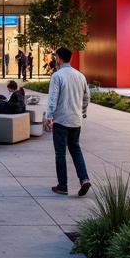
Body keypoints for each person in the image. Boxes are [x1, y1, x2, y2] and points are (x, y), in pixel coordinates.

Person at [44, 47, 91, 196]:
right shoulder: (80, 76)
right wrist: (82, 112)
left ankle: (63, 186)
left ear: (58, 58)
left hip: (61, 119)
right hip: (75, 120)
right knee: (76, 149)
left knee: (60, 153)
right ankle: (84, 178)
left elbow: (53, 99)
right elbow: (86, 98)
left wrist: (48, 116)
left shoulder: (57, 76)